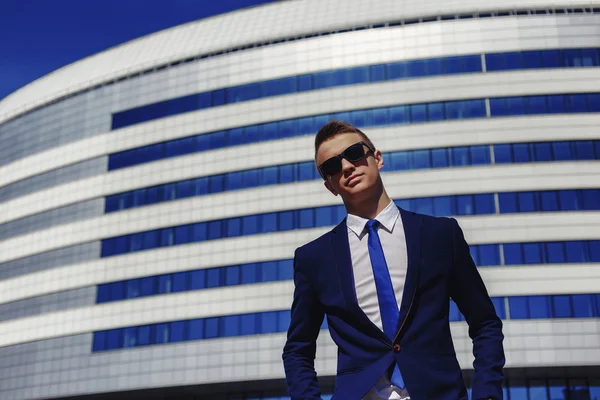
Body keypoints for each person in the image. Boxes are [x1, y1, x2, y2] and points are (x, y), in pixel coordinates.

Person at [282, 121, 505, 400]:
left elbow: (485, 324)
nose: (347, 167)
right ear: (329, 186)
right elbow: (297, 349)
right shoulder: (314, 258)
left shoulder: (439, 235)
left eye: (353, 153)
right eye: (331, 166)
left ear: (377, 158)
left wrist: (486, 395)